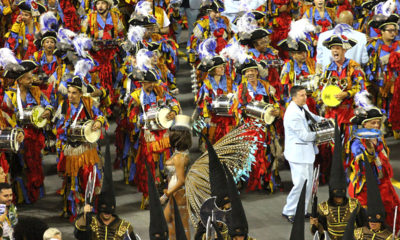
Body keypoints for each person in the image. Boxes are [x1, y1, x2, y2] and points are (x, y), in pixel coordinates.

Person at [54, 73, 106, 220]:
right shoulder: (63, 106)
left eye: (74, 93)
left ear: (81, 93)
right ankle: (75, 209)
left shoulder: (89, 104)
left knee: (89, 176)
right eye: (69, 92)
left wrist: (98, 122)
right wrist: (65, 130)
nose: (70, 95)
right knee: (72, 179)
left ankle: (90, 206)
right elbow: (57, 127)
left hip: (87, 149)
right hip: (71, 149)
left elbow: (100, 116)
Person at [127, 68, 179, 209]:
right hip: (149, 135)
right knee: (149, 165)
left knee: (168, 164)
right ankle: (149, 195)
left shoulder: (160, 91)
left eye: (153, 82)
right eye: (149, 82)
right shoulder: (136, 96)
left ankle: (168, 192)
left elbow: (173, 102)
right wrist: (142, 119)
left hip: (163, 133)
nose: (152, 85)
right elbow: (131, 116)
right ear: (142, 83)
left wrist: (173, 111)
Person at [3, 59, 53, 204]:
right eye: (28, 78)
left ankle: (37, 192)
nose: (32, 80)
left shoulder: (36, 92)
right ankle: (23, 196)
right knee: (21, 165)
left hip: (35, 135)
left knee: (36, 162)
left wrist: (47, 112)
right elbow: (6, 116)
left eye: (31, 77)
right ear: (19, 80)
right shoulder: (10, 95)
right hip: (19, 136)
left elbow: (48, 105)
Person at [310, 118, 365, 239]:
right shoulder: (323, 208)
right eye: (336, 196)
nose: (339, 199)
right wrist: (315, 225)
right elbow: (319, 231)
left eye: (340, 195)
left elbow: (363, 225)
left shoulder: (354, 205)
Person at [349, 107, 400, 231]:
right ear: (364, 124)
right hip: (368, 186)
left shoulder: (379, 138)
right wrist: (369, 153)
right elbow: (360, 162)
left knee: (391, 211)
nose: (376, 125)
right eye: (373, 122)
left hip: (384, 183)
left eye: (378, 122)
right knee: (372, 217)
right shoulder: (357, 142)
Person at [236, 58, 282, 193]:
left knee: (269, 153)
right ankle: (241, 180)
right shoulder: (241, 89)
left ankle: (268, 180)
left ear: (257, 72)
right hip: (250, 128)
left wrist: (277, 111)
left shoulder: (267, 87)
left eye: (252, 70)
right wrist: (246, 111)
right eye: (247, 71)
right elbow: (238, 109)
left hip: (267, 128)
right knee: (247, 154)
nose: (250, 73)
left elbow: (276, 103)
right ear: (244, 74)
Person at [74, 141, 137, 240]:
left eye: (109, 209)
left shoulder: (124, 227)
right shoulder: (91, 222)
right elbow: (79, 235)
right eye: (104, 209)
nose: (107, 212)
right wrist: (85, 215)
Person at [282, 85, 324, 223]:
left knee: (309, 183)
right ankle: (290, 211)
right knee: (300, 184)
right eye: (302, 95)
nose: (305, 97)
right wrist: (322, 133)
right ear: (294, 98)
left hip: (306, 152)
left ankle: (302, 210)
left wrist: (324, 120)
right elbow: (304, 136)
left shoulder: (303, 107)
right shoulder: (292, 114)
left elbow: (312, 117)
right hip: (297, 154)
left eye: (305, 94)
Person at [81, 0, 125, 105]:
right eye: (98, 3)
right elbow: (82, 37)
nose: (100, 6)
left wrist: (120, 41)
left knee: (117, 77)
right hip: (96, 55)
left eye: (103, 3)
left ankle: (115, 102)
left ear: (108, 5)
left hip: (112, 54)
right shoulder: (89, 18)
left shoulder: (115, 16)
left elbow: (121, 35)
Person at [365, 13, 400, 134]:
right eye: (389, 30)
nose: (392, 33)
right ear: (382, 31)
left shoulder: (399, 45)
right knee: (383, 104)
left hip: (397, 81)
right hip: (381, 82)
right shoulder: (374, 46)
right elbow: (369, 66)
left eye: (394, 30)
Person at [353, 149, 399, 239]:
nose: (372, 223)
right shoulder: (358, 233)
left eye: (376, 219)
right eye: (370, 219)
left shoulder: (389, 237)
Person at [320, 34, 365, 127]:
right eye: (332, 48)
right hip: (332, 112)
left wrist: (347, 94)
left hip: (349, 111)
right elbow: (322, 87)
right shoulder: (328, 69)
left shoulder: (353, 66)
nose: (335, 51)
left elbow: (361, 88)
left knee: (348, 139)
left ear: (344, 50)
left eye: (337, 48)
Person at [160, 115, 191, 240]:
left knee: (182, 227)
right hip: (175, 195)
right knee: (166, 222)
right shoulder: (181, 154)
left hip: (179, 195)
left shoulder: (179, 158)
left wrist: (166, 194)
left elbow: (181, 180)